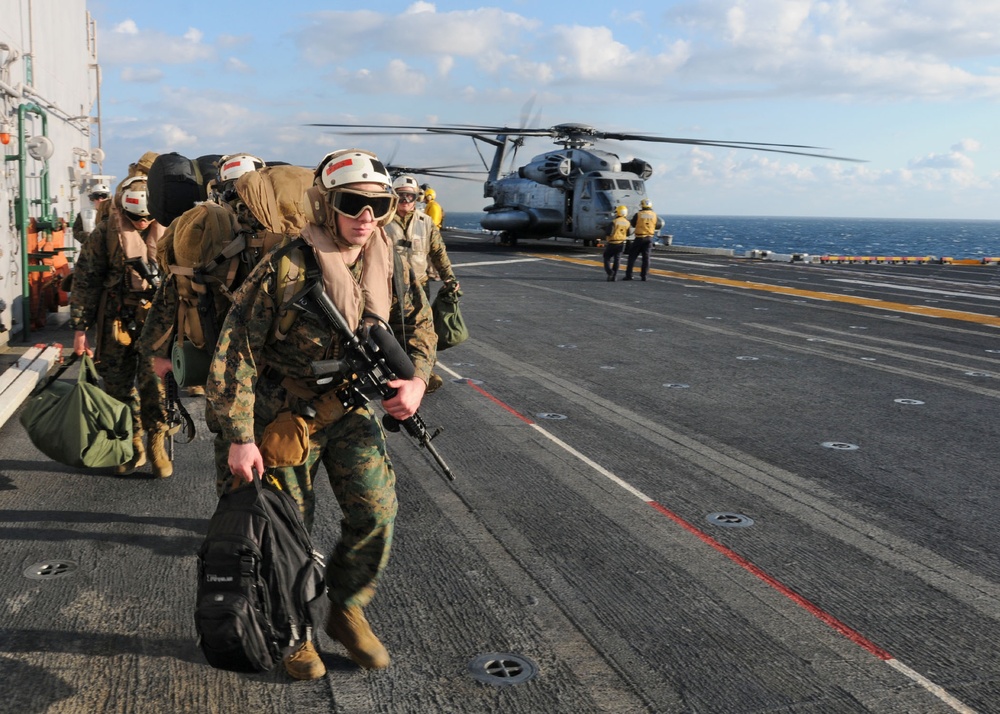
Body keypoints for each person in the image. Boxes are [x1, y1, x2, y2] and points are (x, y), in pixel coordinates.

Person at [204, 149, 436, 680]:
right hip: (284, 412)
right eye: (353, 204)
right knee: (288, 532)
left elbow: (420, 326)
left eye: (378, 206)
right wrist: (241, 436)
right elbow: (234, 352)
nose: (367, 217)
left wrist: (416, 382)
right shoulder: (286, 265)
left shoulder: (390, 258)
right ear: (327, 206)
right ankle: (294, 634)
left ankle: (347, 607)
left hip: (351, 407)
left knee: (376, 512)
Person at [68, 172, 173, 477]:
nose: (141, 222)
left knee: (156, 386)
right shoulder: (104, 233)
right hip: (116, 321)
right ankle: (132, 443)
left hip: (158, 322)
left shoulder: (173, 232)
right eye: (135, 217)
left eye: (147, 218)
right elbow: (86, 281)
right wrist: (80, 330)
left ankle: (157, 442)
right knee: (116, 386)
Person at [384, 174, 458, 393]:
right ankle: (397, 371)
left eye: (411, 195)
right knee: (389, 330)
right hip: (388, 284)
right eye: (401, 195)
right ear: (393, 196)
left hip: (419, 286)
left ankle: (426, 373)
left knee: (424, 331)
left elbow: (438, 252)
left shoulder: (425, 223)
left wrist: (449, 278)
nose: (406, 199)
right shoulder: (381, 221)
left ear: (417, 197)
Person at [624, 198, 664, 281]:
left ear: (642, 205)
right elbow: (657, 225)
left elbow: (633, 224)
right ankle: (644, 276)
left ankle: (629, 275)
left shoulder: (638, 214)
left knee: (632, 257)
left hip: (639, 238)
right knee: (646, 258)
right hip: (649, 238)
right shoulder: (654, 215)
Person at [603, 205, 631, 281]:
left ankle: (610, 272)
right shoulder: (627, 223)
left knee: (607, 258)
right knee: (617, 259)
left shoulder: (614, 222)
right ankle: (614, 276)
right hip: (621, 244)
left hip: (612, 243)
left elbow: (609, 233)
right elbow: (628, 234)